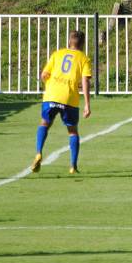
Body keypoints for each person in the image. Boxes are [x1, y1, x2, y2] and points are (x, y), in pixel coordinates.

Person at [31, 30, 92, 174]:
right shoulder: (83, 58)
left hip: (51, 95)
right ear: (82, 43)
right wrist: (87, 104)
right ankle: (73, 166)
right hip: (69, 98)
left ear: (69, 41)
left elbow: (44, 75)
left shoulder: (57, 54)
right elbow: (85, 80)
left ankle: (39, 152)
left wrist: (50, 82)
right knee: (72, 131)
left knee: (44, 123)